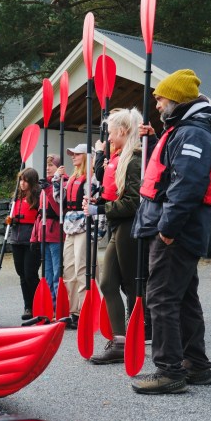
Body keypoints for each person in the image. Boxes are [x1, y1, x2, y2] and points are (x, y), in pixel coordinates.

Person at [131, 69, 211, 394]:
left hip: (175, 231)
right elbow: (179, 172)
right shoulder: (188, 130)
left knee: (162, 298)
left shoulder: (194, 133)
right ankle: (196, 366)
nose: (156, 103)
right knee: (183, 298)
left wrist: (167, 229)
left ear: (176, 100)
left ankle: (169, 371)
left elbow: (188, 184)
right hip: (181, 229)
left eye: (160, 98)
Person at [84, 108, 143, 364]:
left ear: (122, 131)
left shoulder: (134, 160)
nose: (107, 138)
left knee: (132, 285)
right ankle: (120, 342)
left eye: (110, 132)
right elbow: (117, 194)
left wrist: (100, 208)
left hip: (130, 227)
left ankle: (136, 335)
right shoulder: (121, 158)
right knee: (107, 282)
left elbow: (133, 202)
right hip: (118, 226)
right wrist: (100, 200)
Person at [53, 144, 97, 329]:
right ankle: (74, 312)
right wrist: (57, 179)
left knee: (81, 269)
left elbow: (97, 203)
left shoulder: (93, 179)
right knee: (69, 270)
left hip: (85, 226)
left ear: (86, 156)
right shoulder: (72, 177)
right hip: (70, 227)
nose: (73, 156)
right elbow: (59, 200)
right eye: (72, 154)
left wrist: (97, 230)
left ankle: (85, 310)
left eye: (77, 154)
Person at [6, 168, 41, 320]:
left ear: (32, 182)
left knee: (30, 274)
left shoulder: (38, 196)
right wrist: (10, 220)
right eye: (21, 180)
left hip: (32, 240)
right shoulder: (16, 198)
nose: (22, 183)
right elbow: (12, 215)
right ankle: (28, 306)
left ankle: (37, 304)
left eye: (25, 180)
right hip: (16, 239)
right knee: (21, 274)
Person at [31, 155, 62, 306]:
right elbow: (39, 215)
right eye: (47, 165)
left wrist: (49, 190)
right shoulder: (44, 186)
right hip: (44, 235)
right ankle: (50, 304)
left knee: (57, 272)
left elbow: (58, 210)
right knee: (47, 273)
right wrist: (34, 237)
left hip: (56, 235)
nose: (48, 168)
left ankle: (58, 304)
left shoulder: (60, 184)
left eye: (51, 165)